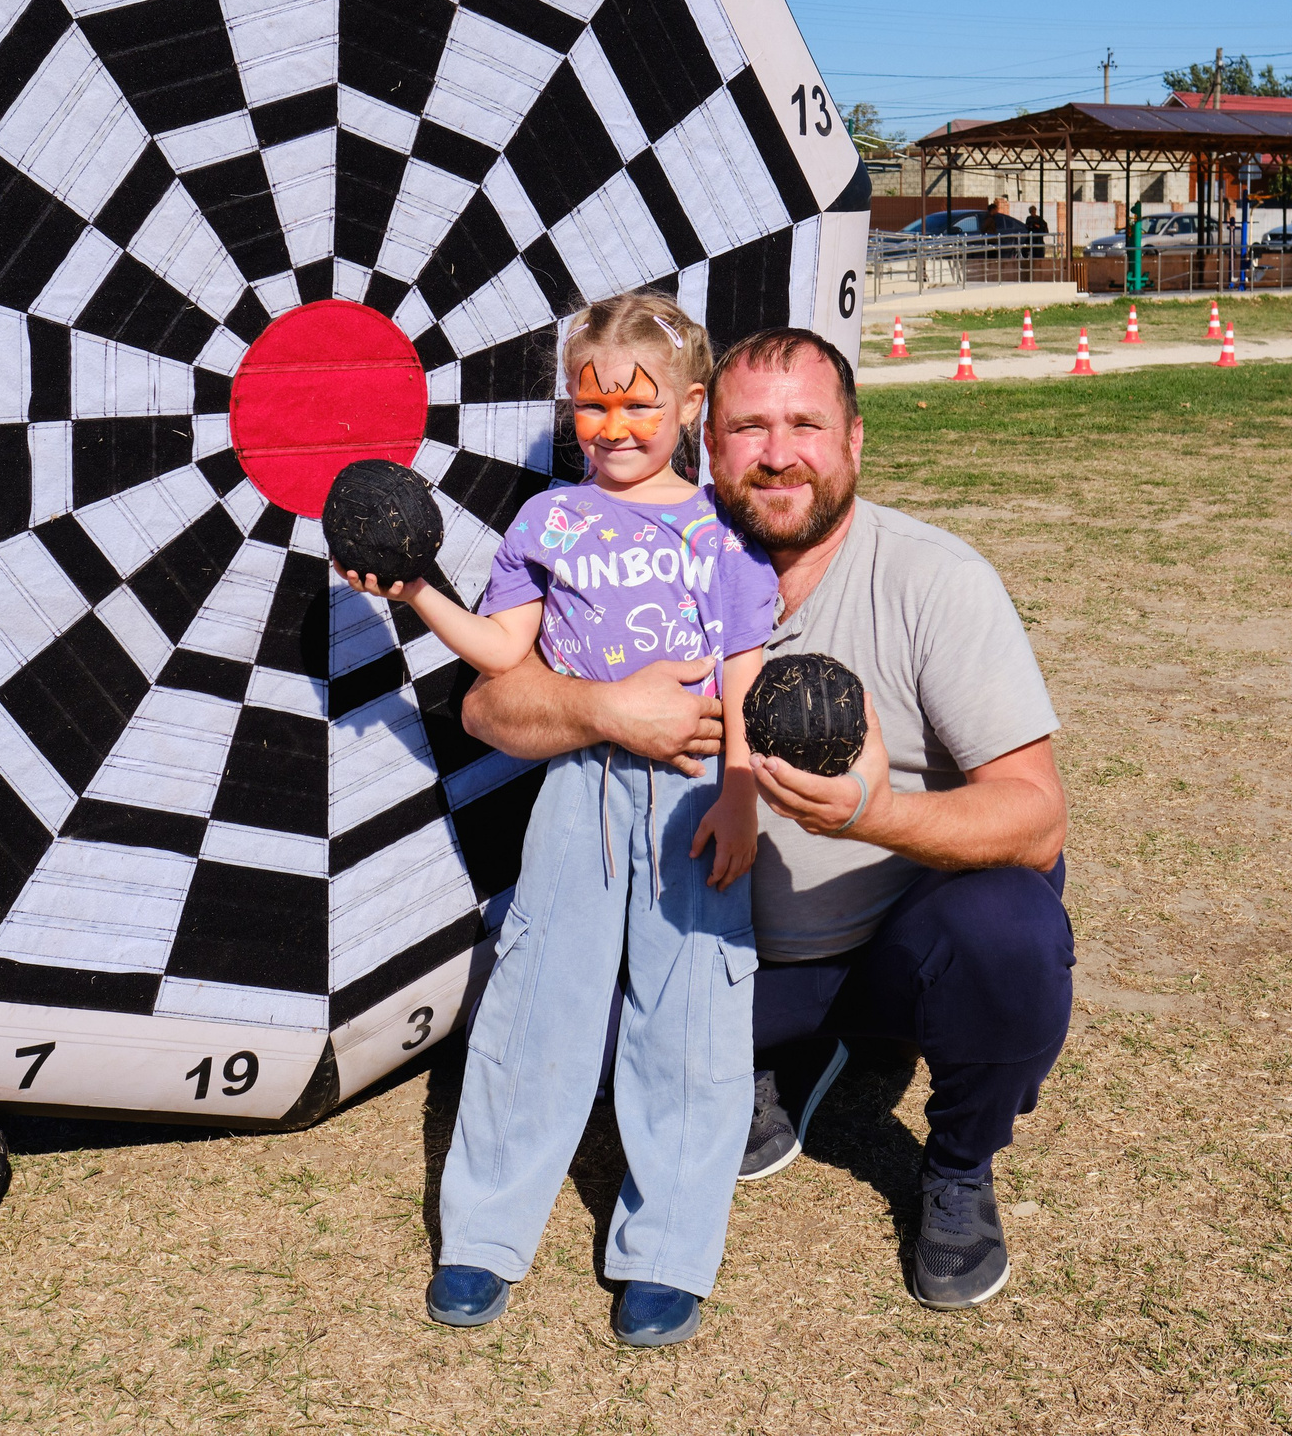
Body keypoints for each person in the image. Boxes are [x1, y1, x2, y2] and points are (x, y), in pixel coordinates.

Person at [458, 327, 1073, 1312]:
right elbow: (488, 708)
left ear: (855, 441)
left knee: (1007, 930)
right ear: (705, 437)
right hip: (702, 944)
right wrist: (602, 707)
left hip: (881, 945)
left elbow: (1036, 817)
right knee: (530, 1003)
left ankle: (957, 1165)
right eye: (749, 425)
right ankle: (772, 1060)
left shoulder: (935, 578)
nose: (778, 451)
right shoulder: (635, 551)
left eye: (805, 424)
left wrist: (875, 814)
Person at [341, 291, 778, 1347]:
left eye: (638, 405)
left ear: (687, 404)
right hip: (577, 783)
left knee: (688, 1014)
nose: (614, 427)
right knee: (539, 995)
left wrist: (740, 790)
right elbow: (503, 655)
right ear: (569, 408)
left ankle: (668, 1244)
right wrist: (415, 593)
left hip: (689, 789)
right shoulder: (550, 521)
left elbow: (744, 672)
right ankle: (484, 1234)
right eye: (591, 405)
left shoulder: (722, 526)